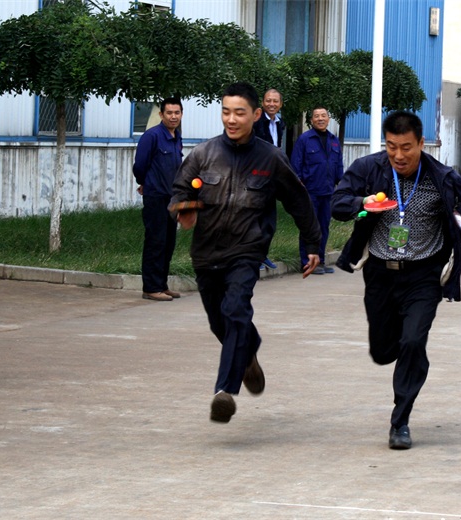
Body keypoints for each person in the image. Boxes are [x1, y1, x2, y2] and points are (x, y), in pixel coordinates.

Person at [331, 111, 461, 450]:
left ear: (421, 144)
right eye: (392, 147)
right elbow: (337, 205)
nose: (398, 155)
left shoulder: (442, 178)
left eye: (406, 147)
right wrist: (362, 204)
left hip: (423, 276)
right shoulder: (369, 169)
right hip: (380, 274)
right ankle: (407, 355)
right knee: (383, 351)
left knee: (413, 341)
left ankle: (400, 422)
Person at [170, 82, 321, 424]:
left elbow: (299, 201)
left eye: (239, 112)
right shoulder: (204, 154)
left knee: (236, 309)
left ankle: (225, 391)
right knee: (219, 323)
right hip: (206, 253)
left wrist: (313, 245)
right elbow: (180, 189)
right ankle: (248, 354)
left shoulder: (271, 158)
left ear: (255, 114)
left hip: (247, 249)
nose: (231, 119)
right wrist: (183, 208)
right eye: (226, 112)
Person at [133, 97, 184, 301]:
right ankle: (151, 288)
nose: (173, 116)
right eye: (169, 113)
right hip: (156, 197)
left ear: (181, 114)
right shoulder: (152, 136)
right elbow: (140, 165)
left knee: (168, 242)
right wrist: (145, 182)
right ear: (161, 114)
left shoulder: (176, 137)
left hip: (172, 198)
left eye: (177, 113)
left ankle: (162, 284)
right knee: (156, 241)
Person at [291, 106, 344, 274]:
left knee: (324, 227)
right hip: (310, 192)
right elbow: (295, 167)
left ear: (328, 119)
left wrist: (343, 186)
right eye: (316, 116)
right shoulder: (304, 140)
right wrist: (300, 189)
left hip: (327, 192)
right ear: (311, 120)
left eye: (323, 116)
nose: (320, 119)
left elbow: (338, 166)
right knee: (309, 227)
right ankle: (307, 262)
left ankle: (319, 261)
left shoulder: (334, 140)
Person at [253, 88, 285, 270]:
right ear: (263, 102)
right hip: (256, 178)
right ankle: (253, 257)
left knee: (269, 221)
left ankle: (262, 255)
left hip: (272, 178)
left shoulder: (280, 123)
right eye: (268, 100)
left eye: (275, 101)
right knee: (255, 219)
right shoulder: (256, 121)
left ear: (280, 104)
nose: (271, 104)